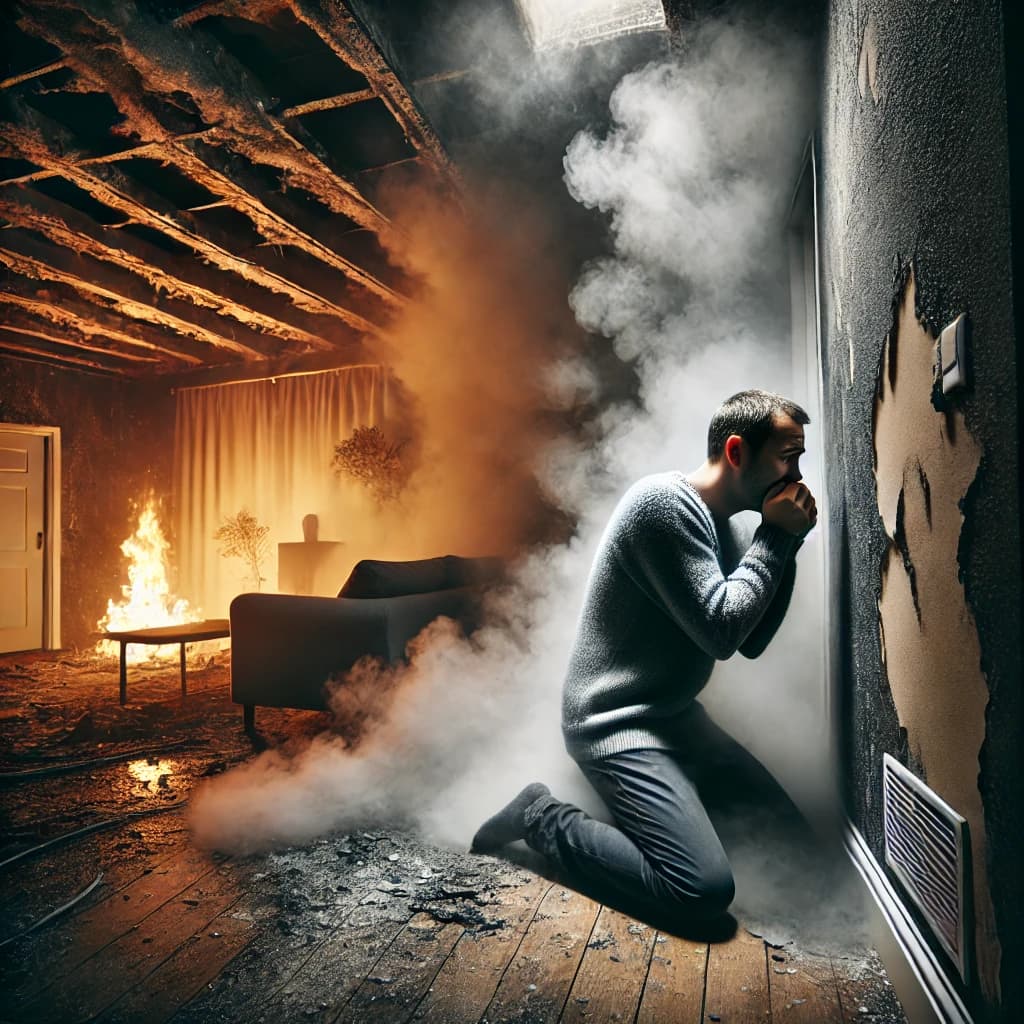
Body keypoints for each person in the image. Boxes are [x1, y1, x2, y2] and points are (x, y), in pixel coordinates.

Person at [471, 389, 817, 927]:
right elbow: (722, 632)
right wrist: (775, 537)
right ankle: (539, 814)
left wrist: (784, 544)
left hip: (676, 718)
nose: (796, 472)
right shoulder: (660, 505)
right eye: (787, 455)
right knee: (699, 890)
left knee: (801, 853)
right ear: (735, 452)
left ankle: (661, 808)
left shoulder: (728, 524)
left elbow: (751, 639)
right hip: (613, 722)